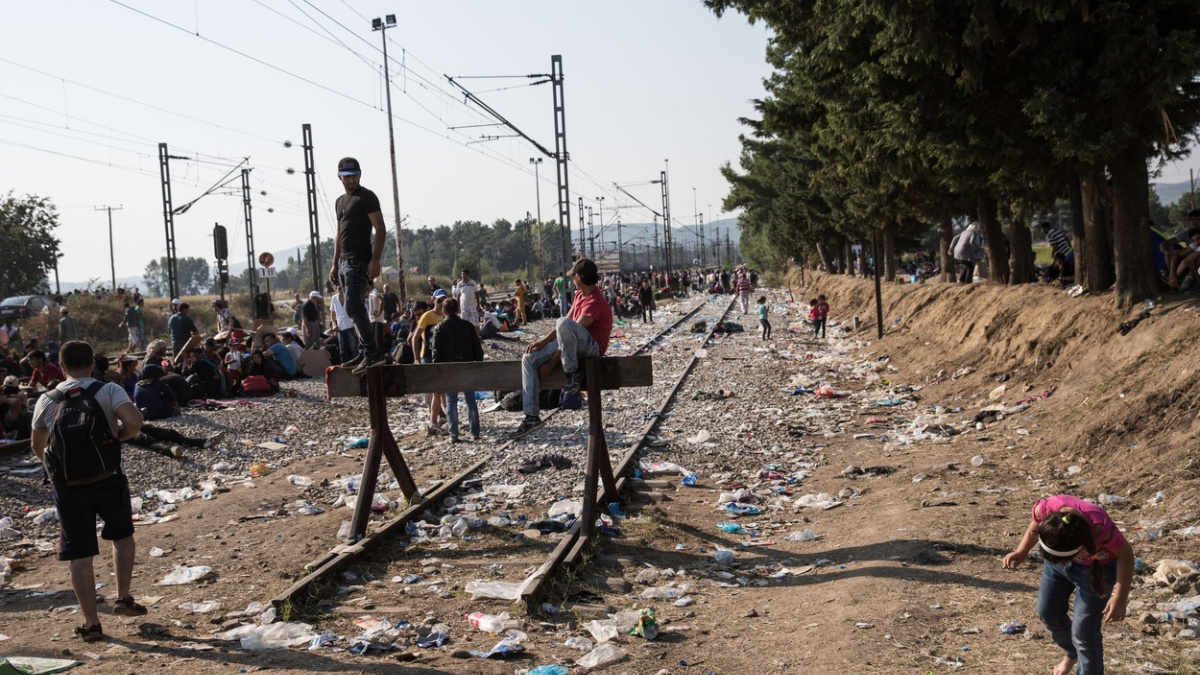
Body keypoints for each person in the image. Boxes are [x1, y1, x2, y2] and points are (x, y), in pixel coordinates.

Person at [30, 340, 147, 642]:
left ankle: (92, 623)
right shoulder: (107, 390)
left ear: (62, 366)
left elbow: (36, 445)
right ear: (93, 364)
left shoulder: (48, 398)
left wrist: (53, 469)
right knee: (121, 536)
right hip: (108, 477)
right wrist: (118, 437)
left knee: (79, 553)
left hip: (68, 487)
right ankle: (123, 597)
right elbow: (135, 422)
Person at [1003, 494, 1134, 675]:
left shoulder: (1100, 527)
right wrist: (1022, 550)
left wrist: (1120, 598)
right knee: (1047, 612)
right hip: (1056, 566)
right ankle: (1072, 653)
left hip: (1097, 570)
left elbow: (1126, 555)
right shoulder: (1046, 508)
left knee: (1084, 633)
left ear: (1079, 546)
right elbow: (1034, 528)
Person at [511, 258, 613, 439]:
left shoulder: (595, 301)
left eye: (573, 276)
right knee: (529, 359)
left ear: (579, 277)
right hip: (571, 342)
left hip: (591, 348)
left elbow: (569, 336)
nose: (572, 279)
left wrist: (551, 365)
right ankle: (531, 415)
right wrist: (543, 341)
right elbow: (564, 332)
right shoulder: (580, 296)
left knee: (563, 323)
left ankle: (571, 373)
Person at [326, 157, 386, 374]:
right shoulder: (340, 201)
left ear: (360, 175)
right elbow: (338, 234)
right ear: (340, 177)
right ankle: (366, 352)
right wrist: (334, 263)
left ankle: (372, 353)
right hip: (343, 262)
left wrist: (376, 259)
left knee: (353, 307)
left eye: (354, 175)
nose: (351, 180)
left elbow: (380, 228)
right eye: (346, 176)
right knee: (353, 308)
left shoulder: (366, 197)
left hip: (359, 259)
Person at [431, 299, 483, 443]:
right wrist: (478, 363)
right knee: (470, 401)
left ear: (444, 311)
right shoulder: (468, 326)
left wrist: (438, 371)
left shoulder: (439, 328)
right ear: (458, 310)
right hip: (467, 366)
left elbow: (436, 353)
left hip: (449, 369)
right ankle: (475, 433)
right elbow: (477, 348)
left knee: (451, 402)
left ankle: (453, 435)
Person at [329, 285, 357, 365]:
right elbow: (332, 312)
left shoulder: (349, 297)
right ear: (336, 289)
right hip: (341, 327)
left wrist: (356, 327)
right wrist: (334, 323)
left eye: (342, 288)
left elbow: (355, 312)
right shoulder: (334, 298)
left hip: (351, 326)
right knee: (343, 349)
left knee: (353, 348)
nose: (341, 290)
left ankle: (355, 365)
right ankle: (344, 366)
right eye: (339, 288)